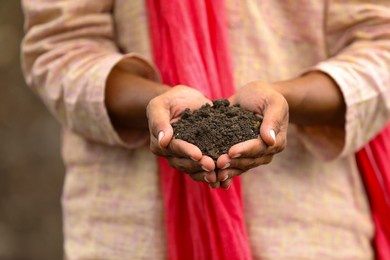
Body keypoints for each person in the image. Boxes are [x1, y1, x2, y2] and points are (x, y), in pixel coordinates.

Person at [21, 0, 390, 259]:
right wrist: (156, 103)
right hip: (133, 229)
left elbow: (380, 48)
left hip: (306, 224)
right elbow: (60, 49)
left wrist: (285, 99)